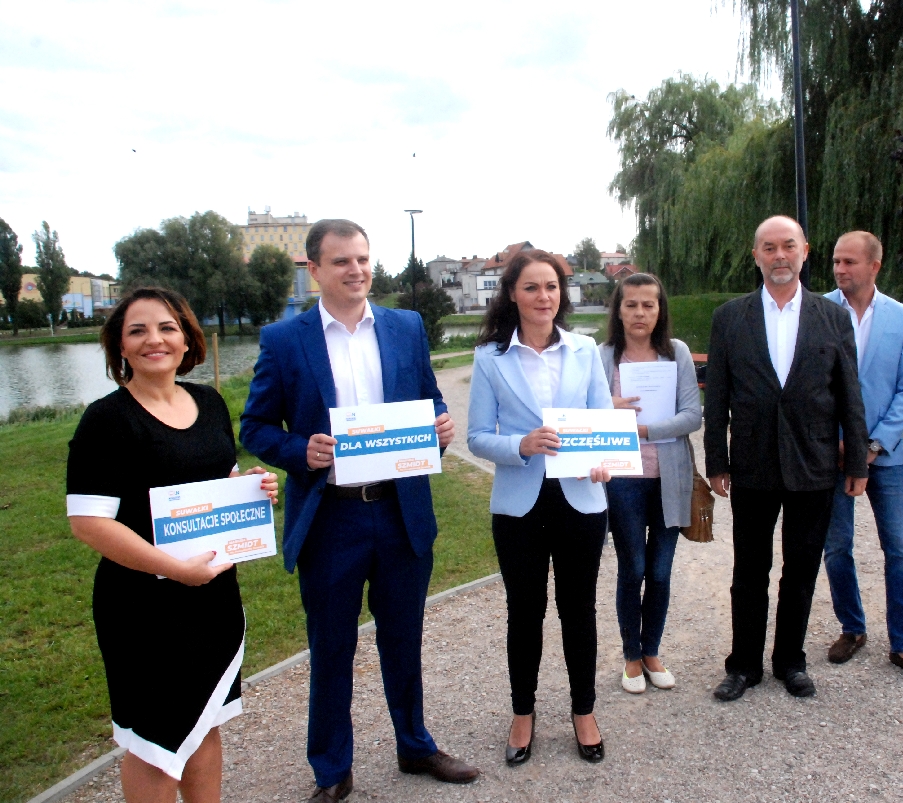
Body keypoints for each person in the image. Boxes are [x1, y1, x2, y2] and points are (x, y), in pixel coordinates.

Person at [240, 219, 477, 802]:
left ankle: (415, 746)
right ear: (314, 269)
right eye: (342, 261)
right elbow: (256, 427)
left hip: (399, 513)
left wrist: (440, 425)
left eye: (363, 259)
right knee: (331, 647)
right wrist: (300, 450)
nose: (357, 270)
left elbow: (429, 397)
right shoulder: (284, 340)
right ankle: (331, 770)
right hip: (331, 518)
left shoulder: (405, 326)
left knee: (404, 639)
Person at [66, 287, 279, 802]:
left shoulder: (209, 402)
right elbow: (89, 523)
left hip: (213, 598)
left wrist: (251, 487)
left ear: (186, 340)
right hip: (143, 609)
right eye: (137, 330)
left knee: (204, 724)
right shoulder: (107, 419)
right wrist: (174, 568)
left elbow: (216, 481)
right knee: (155, 746)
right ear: (120, 345)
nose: (153, 340)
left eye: (166, 328)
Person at [705, 215, 870, 702]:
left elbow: (850, 395)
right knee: (748, 573)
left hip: (813, 463)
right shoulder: (730, 318)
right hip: (752, 463)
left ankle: (790, 662)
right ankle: (743, 665)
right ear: (756, 255)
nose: (780, 255)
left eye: (788, 246)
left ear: (805, 251)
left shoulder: (832, 317)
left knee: (800, 571)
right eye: (769, 247)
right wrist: (716, 460)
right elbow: (717, 396)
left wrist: (857, 462)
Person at [466, 249, 613, 765]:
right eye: (531, 287)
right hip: (519, 505)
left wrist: (603, 461)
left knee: (579, 610)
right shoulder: (490, 357)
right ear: (512, 294)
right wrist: (520, 445)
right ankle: (522, 713)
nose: (543, 296)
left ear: (561, 293)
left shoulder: (585, 350)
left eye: (551, 286)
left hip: (580, 499)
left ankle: (584, 711)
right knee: (524, 613)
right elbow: (477, 436)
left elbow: (604, 422)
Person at [821, 232, 903, 684]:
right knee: (837, 548)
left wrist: (873, 446)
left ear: (874, 265)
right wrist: (833, 443)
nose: (840, 269)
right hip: (831, 455)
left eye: (849, 261)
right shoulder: (818, 311)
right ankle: (852, 628)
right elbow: (810, 385)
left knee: (901, 549)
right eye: (836, 261)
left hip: (885, 457)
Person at [600, 273, 702, 694]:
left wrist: (643, 430)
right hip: (622, 479)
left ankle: (652, 651)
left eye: (649, 305)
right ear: (618, 310)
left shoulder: (676, 353)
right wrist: (607, 407)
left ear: (660, 310)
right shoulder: (603, 356)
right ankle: (631, 655)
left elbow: (692, 416)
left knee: (660, 571)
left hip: (669, 477)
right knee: (634, 568)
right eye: (631, 305)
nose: (640, 313)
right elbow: (582, 414)